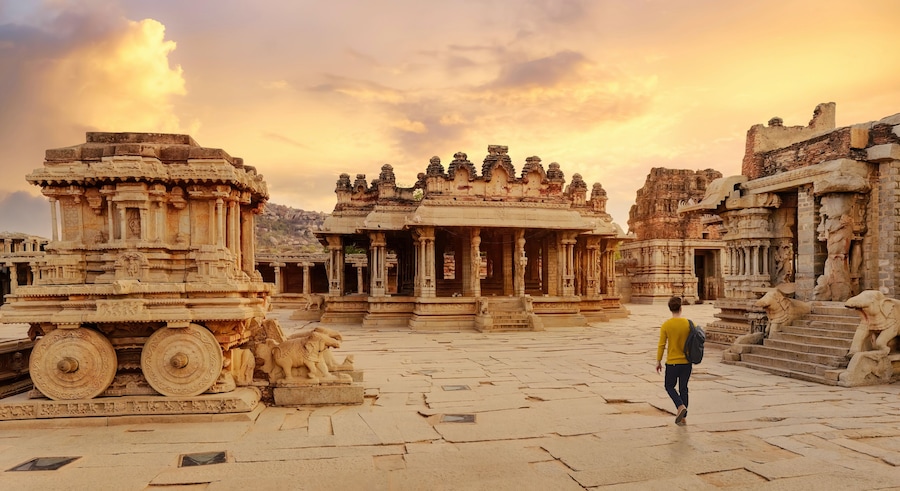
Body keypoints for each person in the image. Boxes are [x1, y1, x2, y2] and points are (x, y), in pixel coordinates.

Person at [656, 296, 692, 425]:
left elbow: (661, 345)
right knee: (684, 388)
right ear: (681, 308)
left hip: (672, 362)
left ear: (670, 309)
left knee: (669, 386)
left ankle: (680, 406)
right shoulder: (688, 323)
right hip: (687, 362)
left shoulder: (666, 325)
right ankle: (683, 416)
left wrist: (658, 361)